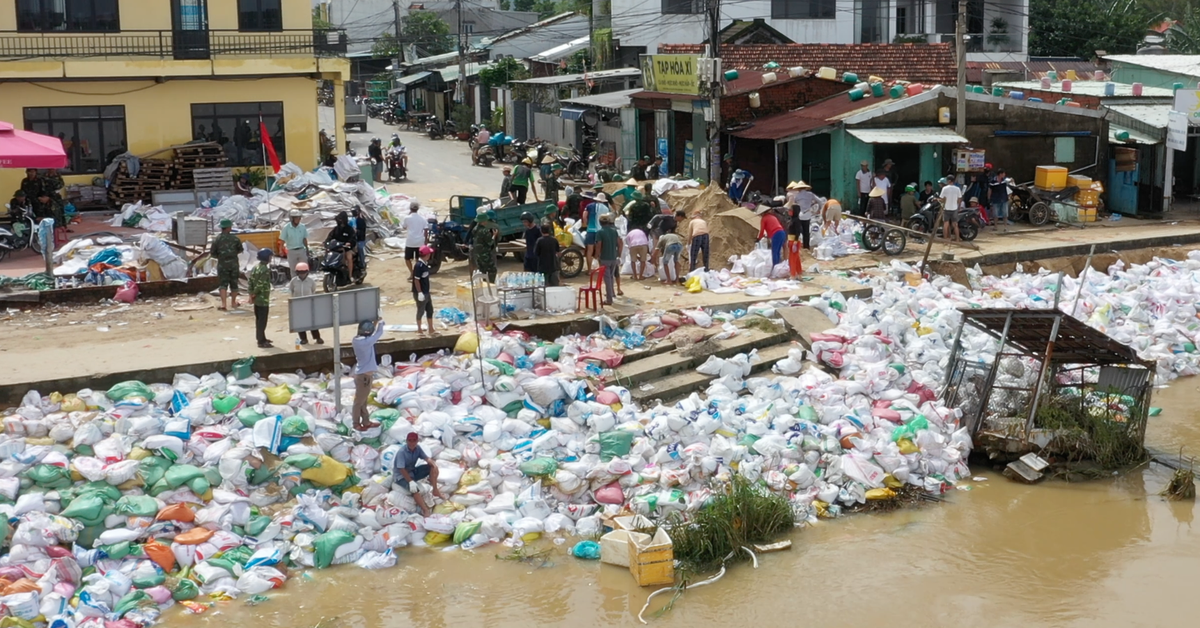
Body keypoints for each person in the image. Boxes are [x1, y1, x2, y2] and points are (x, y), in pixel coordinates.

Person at [396, 432, 442, 517]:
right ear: (406, 441)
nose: (412, 443)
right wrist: (410, 482)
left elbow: (426, 458)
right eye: (410, 441)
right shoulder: (401, 452)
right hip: (401, 476)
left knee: (432, 468)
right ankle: (425, 510)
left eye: (414, 441)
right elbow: (401, 469)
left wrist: (433, 464)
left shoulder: (417, 448)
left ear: (417, 441)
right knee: (415, 490)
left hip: (412, 472)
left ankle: (435, 490)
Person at [351, 319, 384, 431]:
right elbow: (378, 333)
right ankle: (356, 423)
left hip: (363, 376)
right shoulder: (366, 342)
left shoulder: (357, 340)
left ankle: (366, 421)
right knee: (359, 402)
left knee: (363, 400)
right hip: (364, 378)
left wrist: (374, 323)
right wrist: (381, 323)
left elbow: (371, 334)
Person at [288, 263, 323, 345]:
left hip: (309, 304)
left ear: (307, 272)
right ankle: (303, 338)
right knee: (300, 323)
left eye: (304, 272)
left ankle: (317, 337)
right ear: (297, 272)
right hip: (298, 305)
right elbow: (291, 291)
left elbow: (313, 291)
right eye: (300, 272)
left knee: (312, 323)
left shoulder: (311, 281)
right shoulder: (293, 281)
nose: (302, 274)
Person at [211, 219, 242, 310]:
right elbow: (240, 250)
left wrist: (221, 257)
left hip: (222, 264)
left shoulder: (217, 240)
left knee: (223, 284)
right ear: (229, 228)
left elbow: (213, 253)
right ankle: (233, 303)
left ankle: (224, 304)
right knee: (234, 284)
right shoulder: (235, 239)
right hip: (234, 264)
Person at [248, 248, 273, 349]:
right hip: (263, 299)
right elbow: (260, 284)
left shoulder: (255, 268)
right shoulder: (265, 270)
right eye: (270, 256)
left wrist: (251, 294)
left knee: (258, 319)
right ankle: (261, 341)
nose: (271, 258)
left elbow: (250, 281)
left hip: (257, 299)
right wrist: (254, 293)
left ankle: (262, 337)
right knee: (262, 320)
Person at [597, 214, 622, 306]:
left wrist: (597, 255)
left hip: (605, 258)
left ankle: (609, 299)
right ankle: (612, 294)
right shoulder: (614, 231)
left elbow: (599, 245)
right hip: (613, 257)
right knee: (611, 277)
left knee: (607, 279)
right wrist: (619, 254)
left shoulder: (600, 232)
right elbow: (619, 243)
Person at [326, 211, 357, 279]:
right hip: (337, 249)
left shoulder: (349, 229)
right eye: (339, 219)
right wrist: (326, 243)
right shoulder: (336, 229)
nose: (340, 221)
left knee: (349, 257)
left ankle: (350, 275)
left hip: (347, 248)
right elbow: (330, 237)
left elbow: (353, 238)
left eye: (341, 219)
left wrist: (349, 243)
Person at [581, 192, 606, 273]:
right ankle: (601, 269)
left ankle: (589, 270)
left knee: (589, 250)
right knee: (600, 250)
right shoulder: (606, 208)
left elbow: (584, 216)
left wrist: (586, 223)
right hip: (601, 231)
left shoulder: (590, 206)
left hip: (591, 230)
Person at [471, 212, 499, 283]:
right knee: (492, 270)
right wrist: (494, 235)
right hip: (485, 254)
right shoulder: (484, 231)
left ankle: (484, 285)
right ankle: (490, 285)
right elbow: (490, 242)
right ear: (483, 221)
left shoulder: (475, 229)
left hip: (477, 254)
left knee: (482, 271)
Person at [412, 246, 434, 335]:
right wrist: (420, 292)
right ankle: (419, 329)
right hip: (420, 292)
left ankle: (431, 328)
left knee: (430, 310)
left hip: (426, 291)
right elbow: (416, 280)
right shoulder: (419, 266)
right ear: (427, 255)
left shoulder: (425, 264)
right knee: (420, 310)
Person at [403, 202, 427, 275]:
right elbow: (426, 230)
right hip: (420, 242)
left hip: (410, 241)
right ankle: (417, 273)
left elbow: (404, 227)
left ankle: (411, 272)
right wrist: (426, 241)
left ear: (410, 209)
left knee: (407, 258)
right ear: (418, 209)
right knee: (418, 259)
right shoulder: (422, 219)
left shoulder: (407, 218)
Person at [939, 176, 963, 241]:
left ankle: (945, 239)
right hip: (954, 208)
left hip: (946, 208)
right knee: (955, 224)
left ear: (949, 181)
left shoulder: (944, 188)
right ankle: (957, 239)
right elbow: (959, 199)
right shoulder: (957, 189)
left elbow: (941, 199)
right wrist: (958, 206)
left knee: (945, 224)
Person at [786, 204, 804, 279]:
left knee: (792, 259)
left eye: (791, 210)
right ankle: (799, 274)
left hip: (794, 241)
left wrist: (795, 242)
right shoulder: (792, 219)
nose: (789, 211)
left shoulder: (796, 220)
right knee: (796, 259)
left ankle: (793, 275)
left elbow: (798, 231)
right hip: (791, 240)